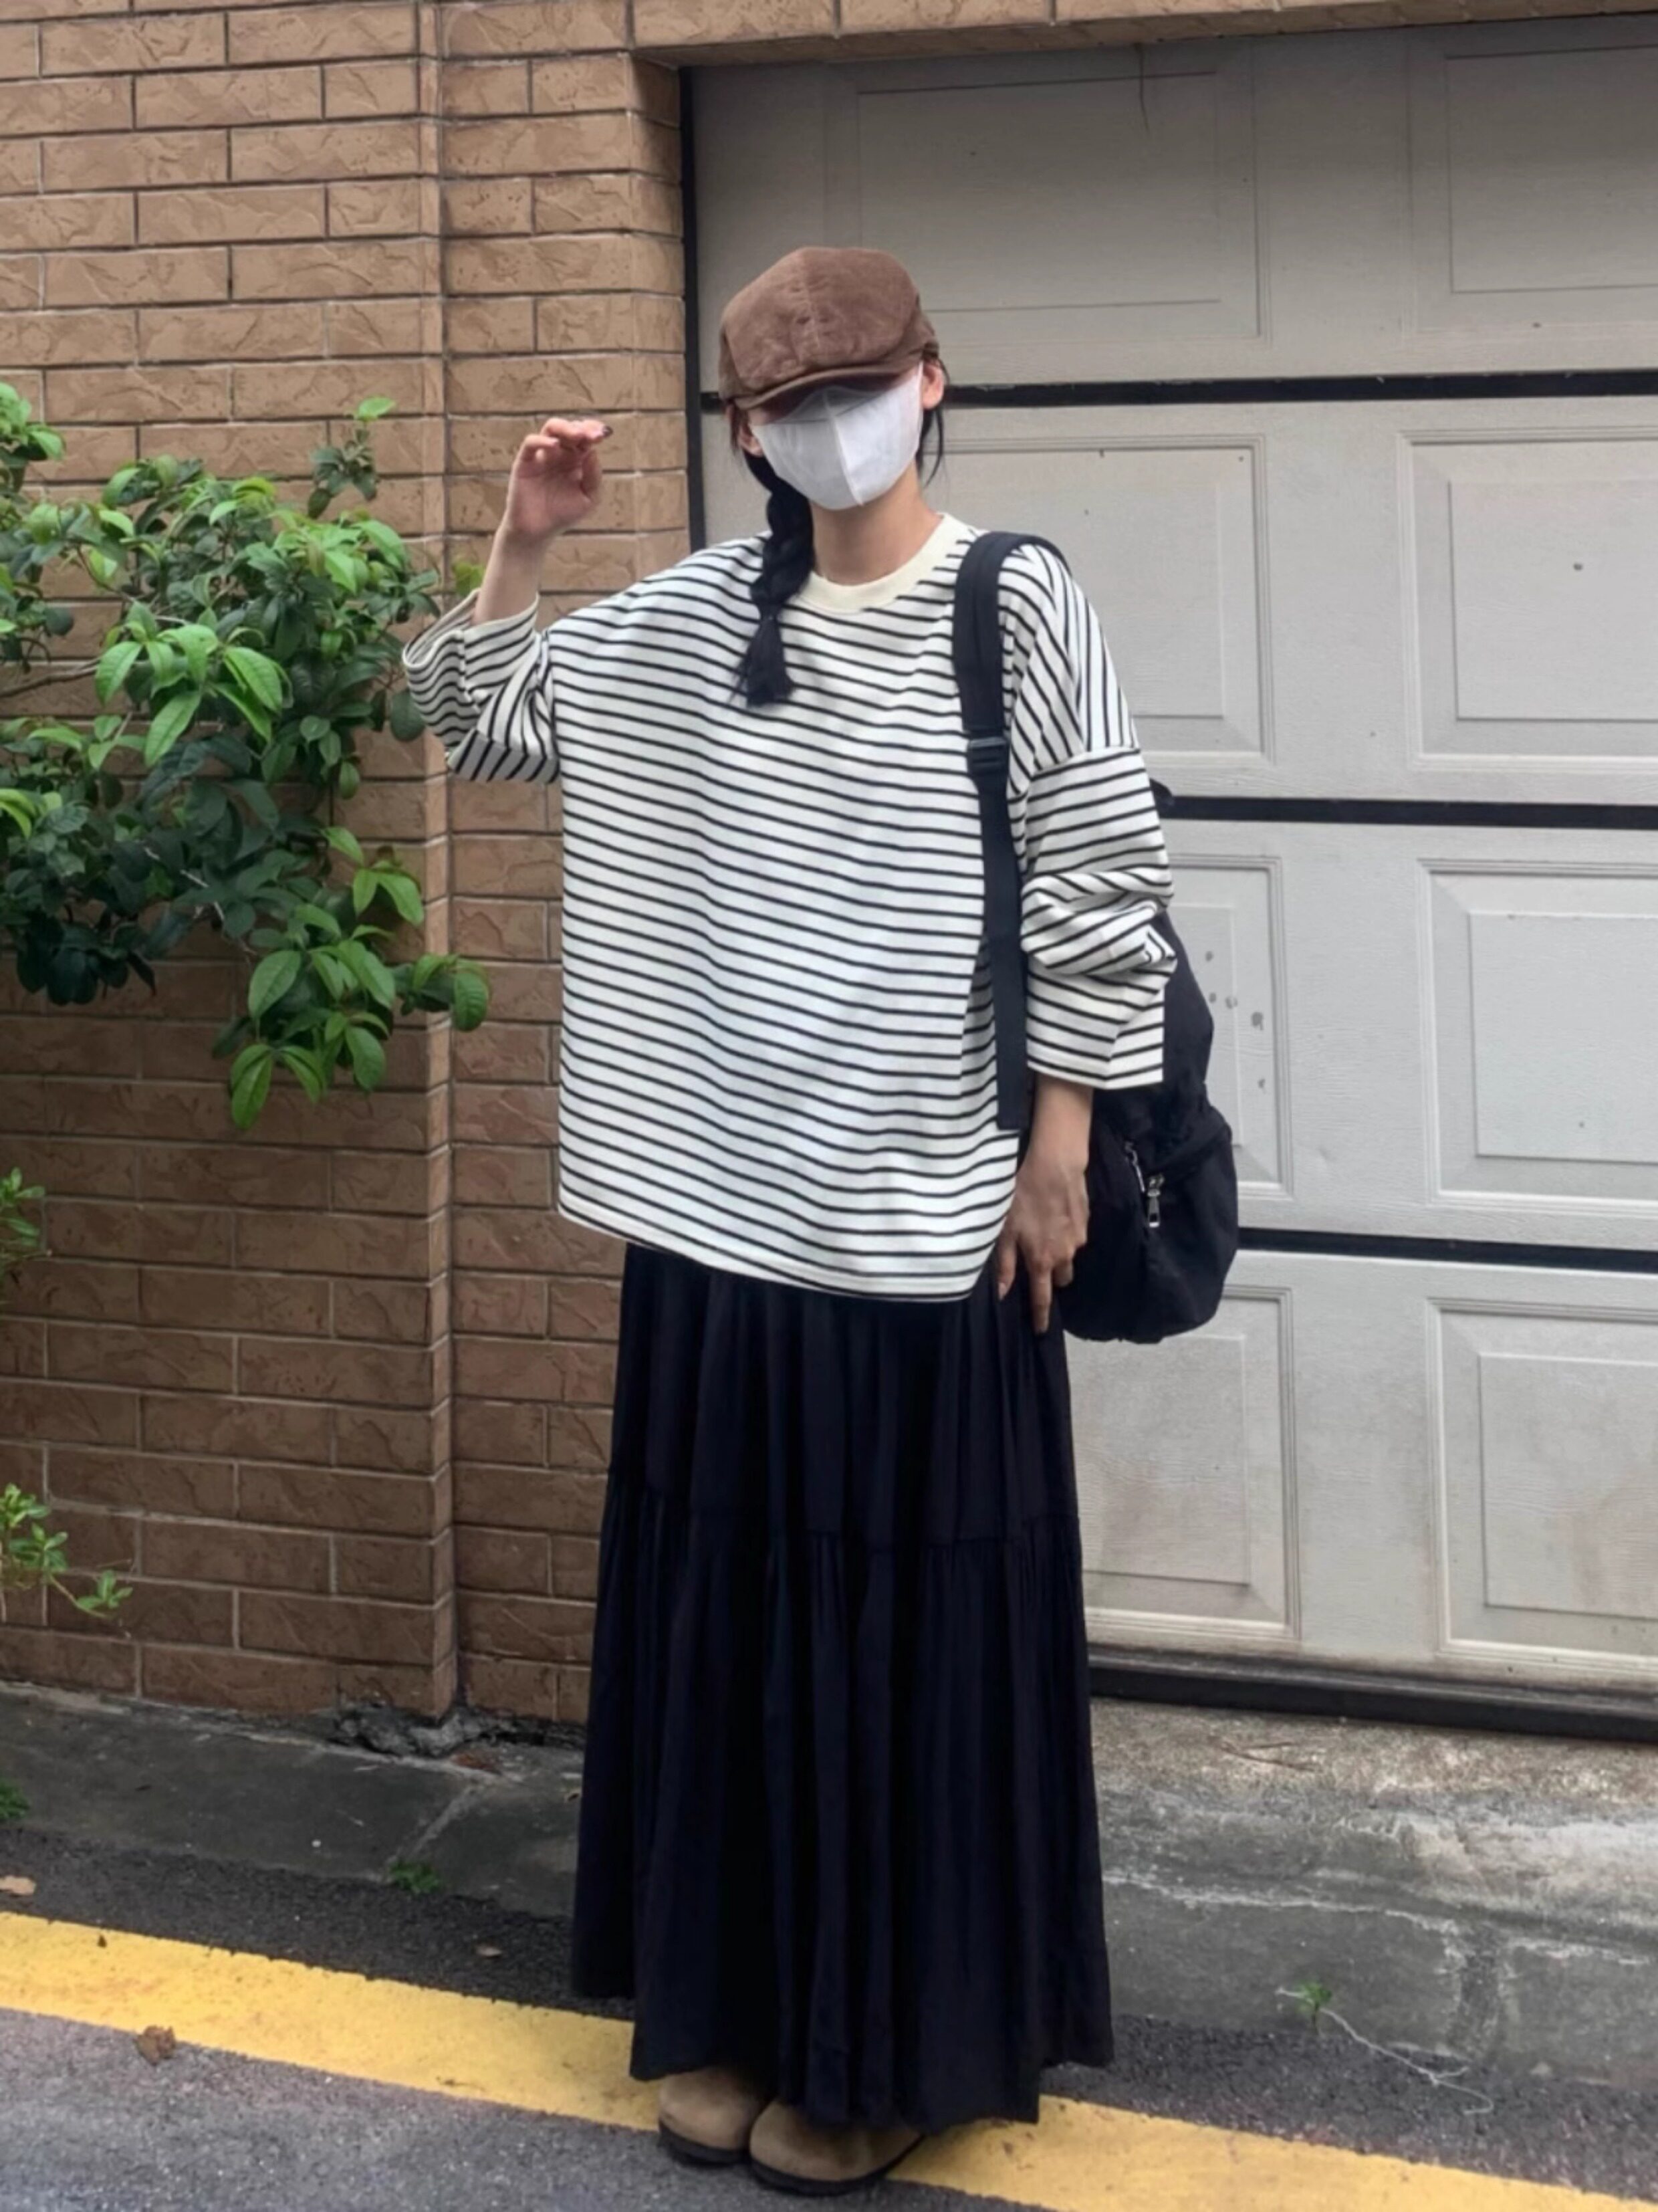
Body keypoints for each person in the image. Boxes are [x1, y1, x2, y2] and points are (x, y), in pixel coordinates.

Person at [404, 245, 1175, 2197]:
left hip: (933, 1226)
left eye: (860, 384)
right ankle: (740, 2008)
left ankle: (895, 2047)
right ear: (747, 434)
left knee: (907, 1641)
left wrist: (1061, 1144)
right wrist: (525, 537)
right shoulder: (692, 617)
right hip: (719, 1223)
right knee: (735, 1627)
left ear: (933, 382)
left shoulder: (1014, 602)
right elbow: (476, 716)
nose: (831, 423)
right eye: (787, 404)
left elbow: (1100, 878)